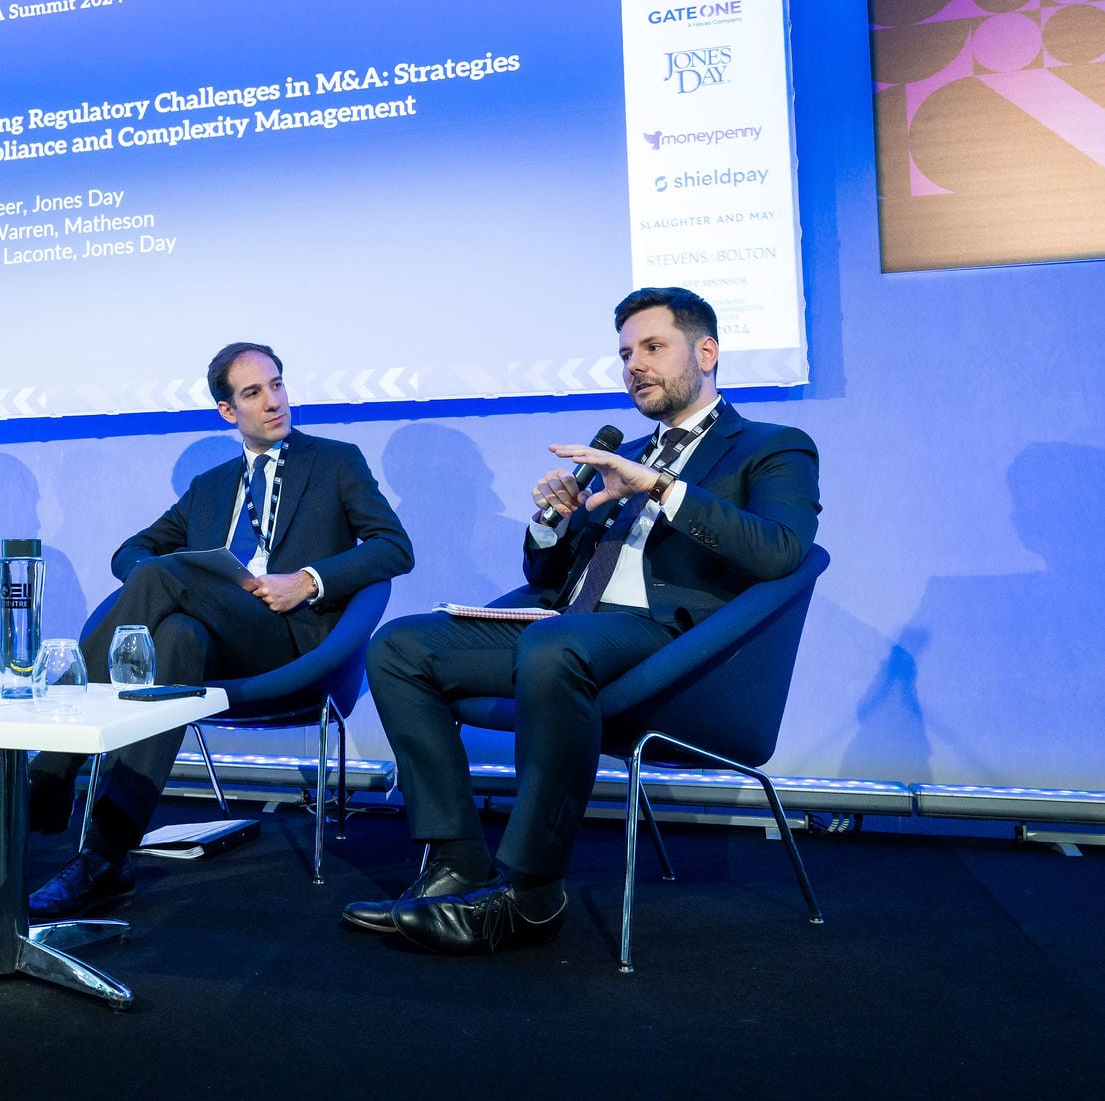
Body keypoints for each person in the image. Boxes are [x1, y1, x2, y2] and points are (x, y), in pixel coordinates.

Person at [350, 287, 820, 954]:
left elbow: (781, 549)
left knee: (555, 644)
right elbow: (549, 578)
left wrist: (660, 486)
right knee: (400, 646)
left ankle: (532, 896)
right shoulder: (626, 455)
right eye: (626, 353)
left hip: (676, 645)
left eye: (653, 347)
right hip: (570, 625)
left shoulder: (772, 446)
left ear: (707, 352)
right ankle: (457, 863)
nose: (635, 365)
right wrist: (553, 525)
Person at [0, 342, 413, 917]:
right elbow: (130, 552)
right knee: (178, 634)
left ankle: (48, 777)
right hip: (215, 645)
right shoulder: (211, 486)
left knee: (164, 578)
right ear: (228, 411)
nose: (274, 401)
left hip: (291, 643)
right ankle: (106, 857)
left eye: (277, 385)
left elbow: (394, 547)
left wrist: (307, 580)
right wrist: (177, 581)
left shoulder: (335, 462)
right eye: (254, 392)